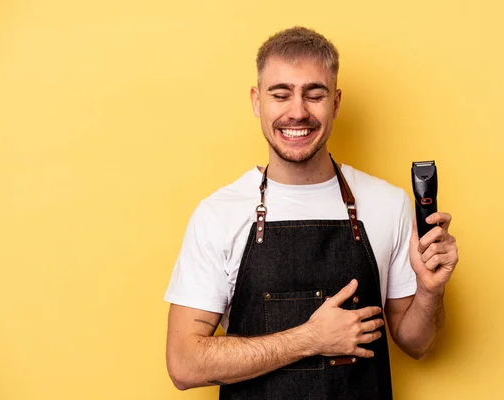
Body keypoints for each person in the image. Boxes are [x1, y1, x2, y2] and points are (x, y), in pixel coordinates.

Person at [164, 26, 459, 400]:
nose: (297, 112)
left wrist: (432, 290)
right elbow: (184, 363)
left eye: (314, 94)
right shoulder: (218, 215)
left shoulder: (388, 203)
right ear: (257, 101)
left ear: (335, 103)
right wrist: (310, 338)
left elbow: (417, 343)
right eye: (281, 94)